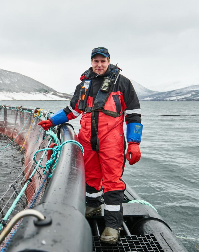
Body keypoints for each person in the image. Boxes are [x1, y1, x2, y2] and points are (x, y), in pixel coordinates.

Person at [38, 47, 143, 244]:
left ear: (109, 61)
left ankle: (112, 226)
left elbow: (133, 114)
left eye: (103, 61)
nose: (99, 65)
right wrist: (52, 121)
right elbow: (72, 110)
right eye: (96, 61)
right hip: (87, 140)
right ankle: (93, 206)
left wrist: (134, 143)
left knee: (112, 181)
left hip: (112, 141)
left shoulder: (123, 83)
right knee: (91, 177)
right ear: (91, 62)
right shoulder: (84, 84)